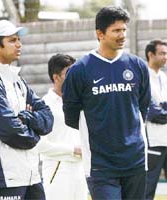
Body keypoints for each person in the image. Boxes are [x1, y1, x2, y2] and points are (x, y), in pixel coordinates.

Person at [62, 6, 151, 200]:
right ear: (100, 34)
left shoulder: (137, 66)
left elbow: (143, 107)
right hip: (100, 164)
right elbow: (71, 115)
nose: (122, 35)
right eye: (116, 31)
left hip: (135, 159)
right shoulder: (80, 70)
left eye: (124, 30)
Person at [0, 20, 53, 200]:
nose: (19, 44)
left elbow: (47, 118)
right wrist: (35, 135)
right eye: (12, 40)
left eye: (18, 39)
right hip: (3, 179)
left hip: (32, 176)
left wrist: (26, 117)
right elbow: (11, 131)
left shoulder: (17, 80)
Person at [36, 54, 88, 200]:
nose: (74, 79)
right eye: (68, 74)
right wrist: (73, 150)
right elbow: (39, 144)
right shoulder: (44, 106)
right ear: (56, 77)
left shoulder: (80, 102)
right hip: (57, 170)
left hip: (80, 169)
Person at [145, 40, 167, 200]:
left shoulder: (164, 77)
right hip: (153, 141)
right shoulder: (143, 77)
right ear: (150, 55)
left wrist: (161, 106)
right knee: (148, 188)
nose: (166, 57)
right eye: (162, 53)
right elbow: (154, 114)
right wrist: (160, 108)